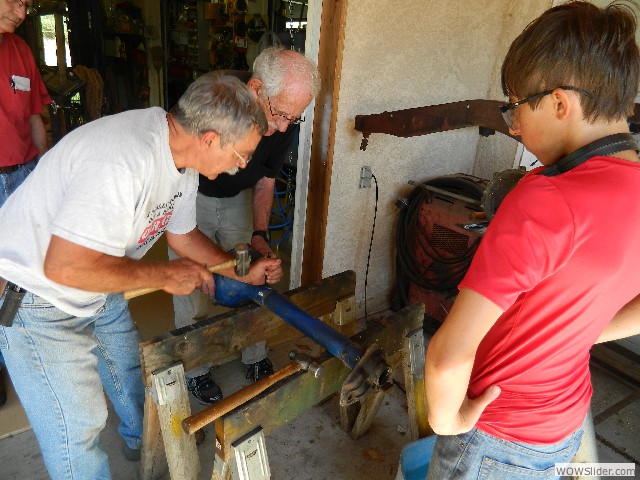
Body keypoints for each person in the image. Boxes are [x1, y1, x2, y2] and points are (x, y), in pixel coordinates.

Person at [0, 72, 281, 480]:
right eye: (240, 155)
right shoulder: (121, 160)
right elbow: (63, 265)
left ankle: (145, 450)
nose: (242, 166)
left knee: (132, 371)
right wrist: (163, 275)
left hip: (99, 277)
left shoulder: (179, 160)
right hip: (38, 298)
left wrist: (241, 271)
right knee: (77, 428)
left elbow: (183, 237)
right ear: (210, 139)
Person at [425, 3, 640, 479]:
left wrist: (447, 420)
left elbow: (447, 357)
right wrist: (578, 333)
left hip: (496, 434)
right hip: (565, 423)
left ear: (560, 104)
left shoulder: (545, 197)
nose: (513, 125)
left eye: (516, 106)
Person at [171, 46, 320, 402]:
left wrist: (258, 235)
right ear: (255, 89)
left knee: (250, 272)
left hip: (238, 197)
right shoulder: (212, 98)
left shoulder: (282, 116)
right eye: (280, 114)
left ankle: (253, 353)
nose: (282, 127)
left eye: (293, 119)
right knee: (193, 280)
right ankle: (196, 367)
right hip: (191, 192)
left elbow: (266, 181)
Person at [0, 0, 51, 407]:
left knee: (27, 269)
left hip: (23, 174)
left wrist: (46, 172)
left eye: (28, 4)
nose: (23, 10)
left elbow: (35, 115)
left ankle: (27, 353)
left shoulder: (20, 49)